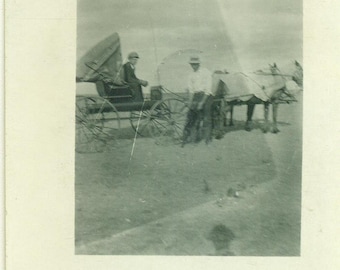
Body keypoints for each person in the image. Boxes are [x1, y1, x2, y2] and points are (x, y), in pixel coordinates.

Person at [182, 56, 213, 145]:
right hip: (196, 96)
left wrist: (202, 103)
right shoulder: (191, 75)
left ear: (199, 64)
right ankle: (192, 138)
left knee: (206, 118)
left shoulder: (206, 72)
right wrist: (190, 103)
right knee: (191, 117)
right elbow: (191, 91)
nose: (193, 66)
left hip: (206, 96)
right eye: (192, 64)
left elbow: (208, 89)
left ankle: (207, 139)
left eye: (195, 64)